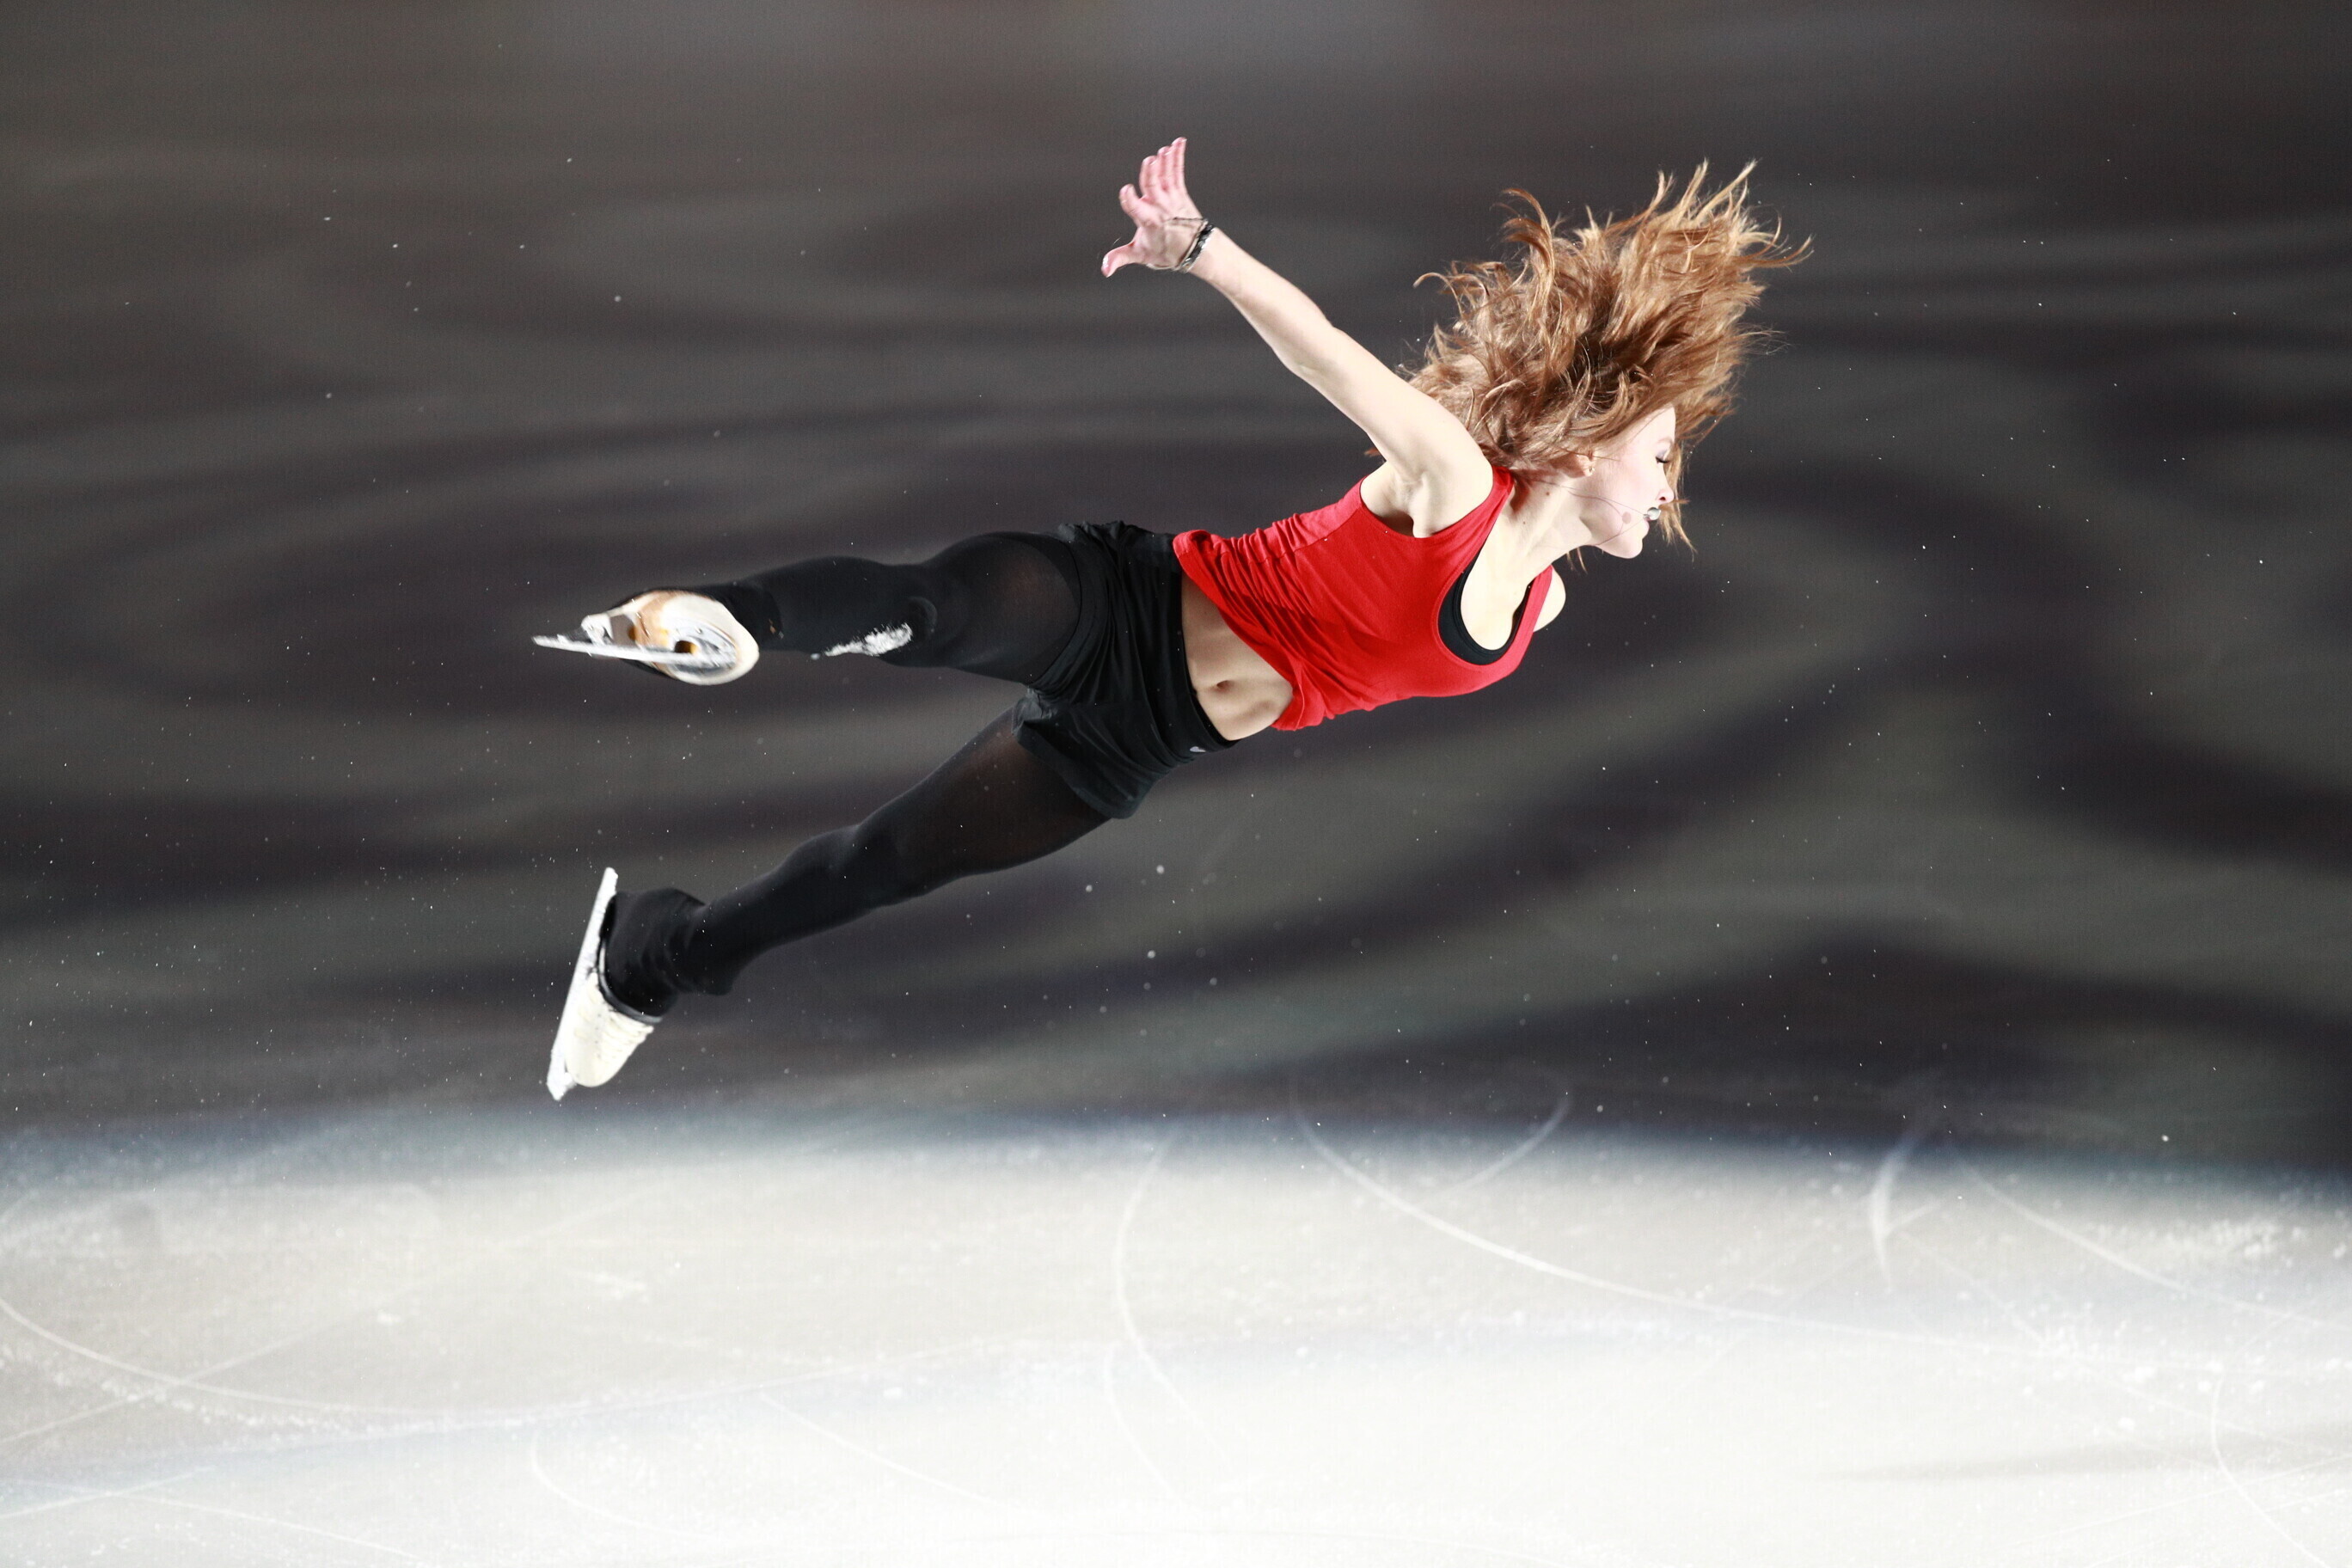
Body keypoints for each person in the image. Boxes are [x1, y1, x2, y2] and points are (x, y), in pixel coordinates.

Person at [542, 137, 1802, 1098]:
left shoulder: (1542, 603)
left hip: (1137, 741)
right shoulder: (1452, 487)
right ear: (1584, 445)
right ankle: (715, 620)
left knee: (882, 864)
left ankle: (650, 957)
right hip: (1123, 607)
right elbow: (1324, 353)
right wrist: (1201, 249)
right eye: (1659, 455)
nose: (1671, 487)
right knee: (931, 607)